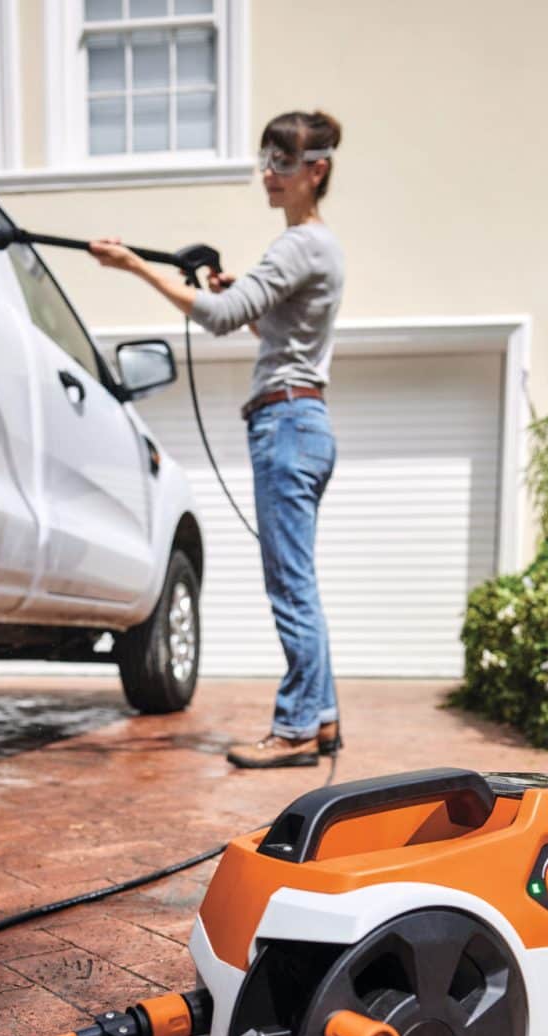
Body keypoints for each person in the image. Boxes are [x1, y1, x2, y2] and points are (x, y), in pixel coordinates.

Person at [90, 109, 345, 769]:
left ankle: (294, 729)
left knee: (289, 586)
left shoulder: (298, 246)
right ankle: (320, 719)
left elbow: (219, 318)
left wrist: (132, 267)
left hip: (286, 425)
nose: (269, 174)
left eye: (282, 163)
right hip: (303, 422)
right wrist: (238, 294)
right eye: (265, 160)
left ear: (315, 170)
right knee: (299, 581)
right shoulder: (319, 246)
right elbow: (265, 326)